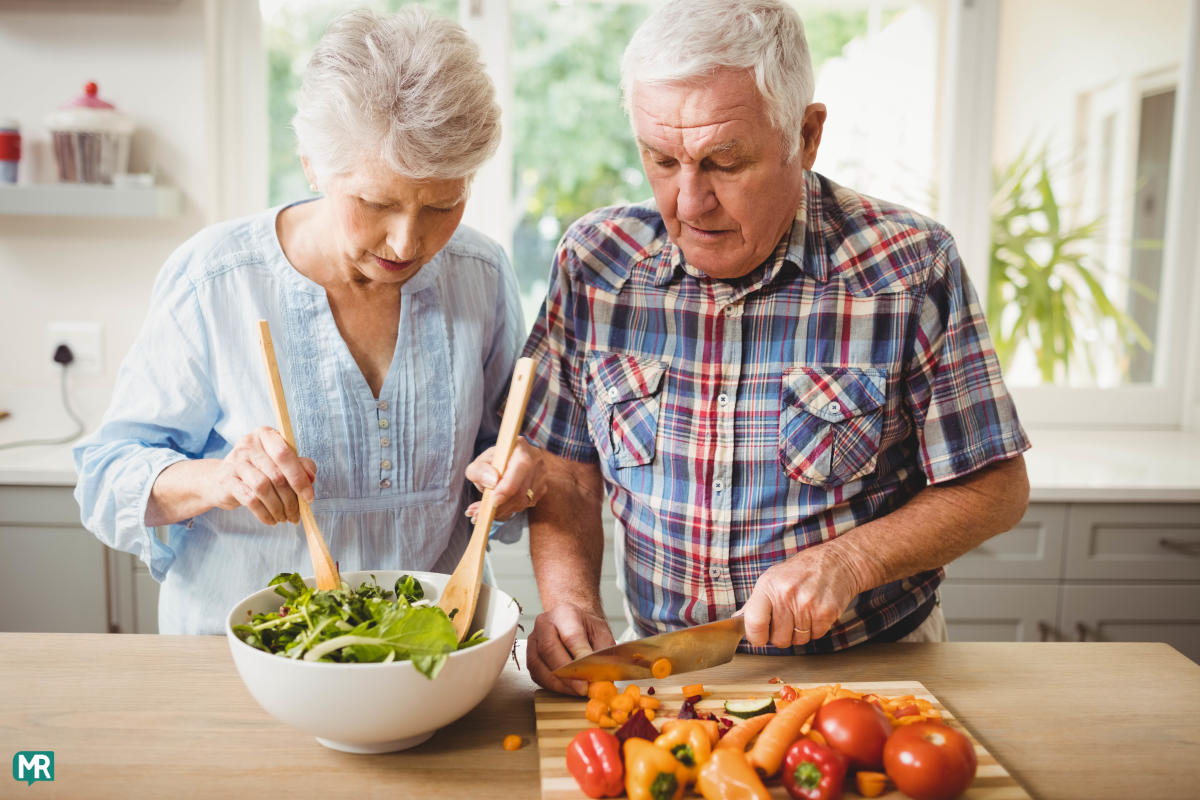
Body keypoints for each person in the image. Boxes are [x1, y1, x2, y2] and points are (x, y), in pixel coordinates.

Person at [521, 0, 1031, 694]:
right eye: (661, 159)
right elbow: (565, 472)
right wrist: (571, 603)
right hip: (669, 667)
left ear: (807, 134)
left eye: (724, 163)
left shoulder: (910, 266)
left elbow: (994, 485)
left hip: (872, 669)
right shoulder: (595, 263)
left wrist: (850, 562)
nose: (688, 201)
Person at [74, 7, 543, 635]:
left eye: (443, 204)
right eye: (376, 202)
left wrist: (514, 476)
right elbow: (106, 478)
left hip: (431, 654)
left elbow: (501, 452)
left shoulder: (480, 274)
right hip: (238, 657)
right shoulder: (217, 278)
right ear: (312, 165)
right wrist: (221, 478)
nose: (407, 242)